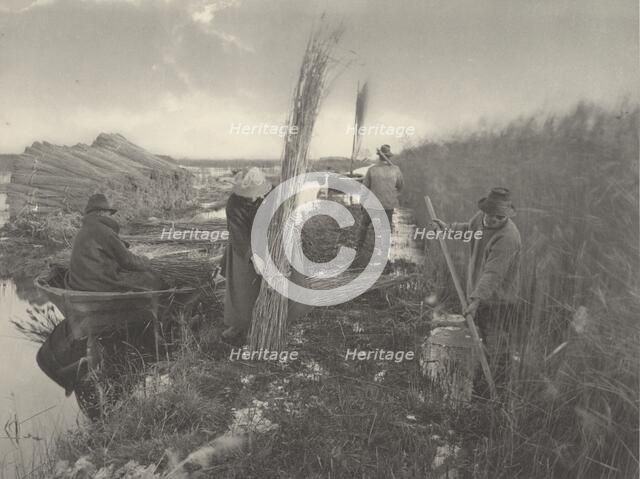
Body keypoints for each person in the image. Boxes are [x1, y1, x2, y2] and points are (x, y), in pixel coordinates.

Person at [432, 187, 522, 384]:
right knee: (481, 342)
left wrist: (475, 300)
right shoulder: (480, 218)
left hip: (499, 301)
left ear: (506, 215)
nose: (494, 220)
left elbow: (493, 274)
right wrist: (448, 228)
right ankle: (481, 385)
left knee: (497, 349)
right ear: (485, 210)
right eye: (491, 215)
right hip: (479, 295)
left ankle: (495, 392)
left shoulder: (508, 237)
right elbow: (469, 229)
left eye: (500, 217)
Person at [221, 168, 311, 344]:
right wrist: (253, 256)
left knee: (285, 279)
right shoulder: (234, 204)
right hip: (244, 244)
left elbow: (287, 217)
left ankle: (283, 318)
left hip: (273, 241)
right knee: (244, 285)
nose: (254, 198)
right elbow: (238, 233)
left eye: (256, 194)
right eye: (249, 195)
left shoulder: (274, 194)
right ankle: (241, 324)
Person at [69, 193, 165, 292]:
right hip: (99, 285)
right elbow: (128, 261)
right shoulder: (105, 232)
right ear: (102, 212)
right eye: (109, 214)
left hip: (79, 283)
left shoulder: (82, 231)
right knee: (151, 277)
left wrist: (122, 245)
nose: (110, 216)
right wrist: (145, 259)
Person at [356, 144, 404, 251]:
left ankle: (358, 248)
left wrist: (362, 204)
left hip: (372, 205)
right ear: (389, 157)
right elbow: (400, 186)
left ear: (379, 156)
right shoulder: (396, 170)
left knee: (364, 225)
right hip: (388, 205)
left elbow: (364, 189)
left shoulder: (372, 170)